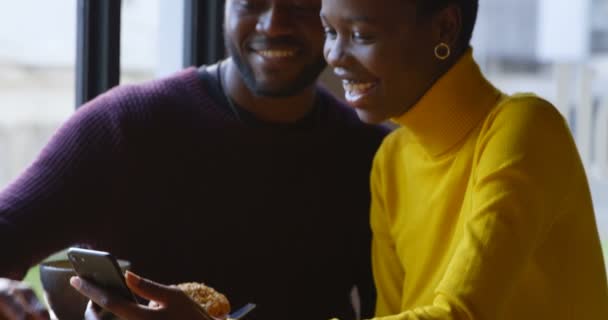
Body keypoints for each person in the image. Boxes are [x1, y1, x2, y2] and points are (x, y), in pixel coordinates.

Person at [0, 0, 388, 319]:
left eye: (300, 5)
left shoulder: (370, 155)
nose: (274, 24)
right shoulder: (126, 126)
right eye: (251, 3)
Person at [319, 0, 608, 319]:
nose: (333, 55)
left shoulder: (526, 129)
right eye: (330, 31)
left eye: (360, 35)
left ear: (445, 28)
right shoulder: (390, 160)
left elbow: (460, 314)